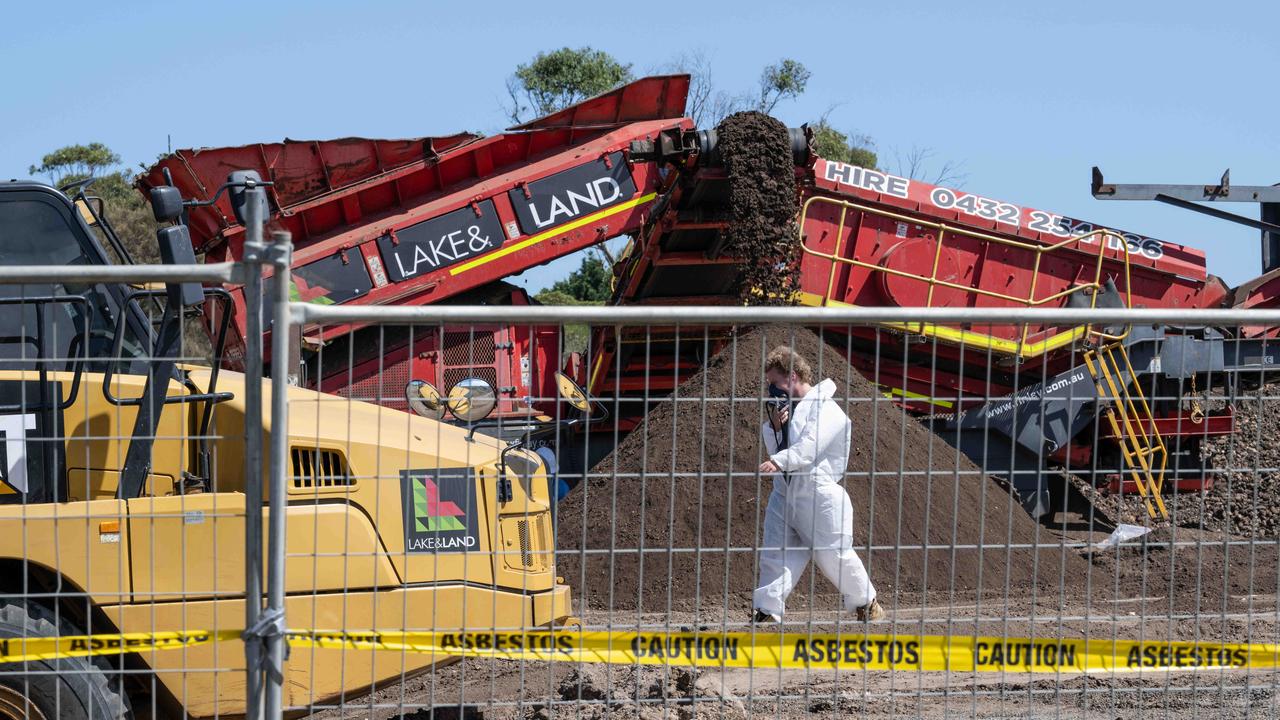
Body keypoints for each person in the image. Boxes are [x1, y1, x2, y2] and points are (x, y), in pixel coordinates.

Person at [752, 345, 884, 623]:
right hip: (786, 491)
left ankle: (867, 603)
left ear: (792, 377)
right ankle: (766, 610)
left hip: (818, 494)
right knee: (776, 551)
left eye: (774, 382)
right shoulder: (788, 410)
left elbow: (810, 447)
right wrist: (775, 429)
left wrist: (779, 460)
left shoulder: (828, 410)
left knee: (833, 556)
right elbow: (780, 449)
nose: (771, 389)